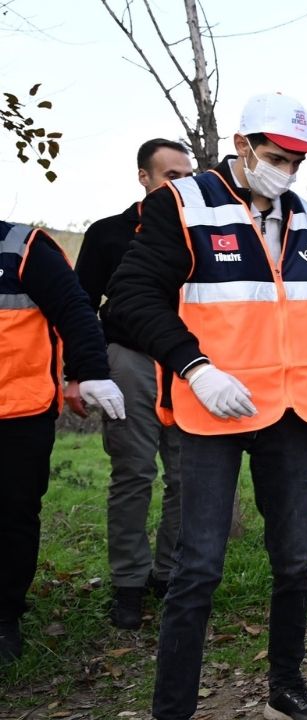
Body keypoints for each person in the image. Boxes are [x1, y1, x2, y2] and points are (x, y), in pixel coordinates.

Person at [107, 92, 307, 720]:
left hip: (291, 411)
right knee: (197, 567)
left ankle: (286, 688)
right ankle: (172, 708)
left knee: (297, 561)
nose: (288, 170)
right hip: (214, 409)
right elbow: (130, 298)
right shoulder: (185, 202)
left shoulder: (306, 216)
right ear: (242, 144)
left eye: (298, 161)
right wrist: (194, 368)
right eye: (278, 156)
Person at [73, 138, 193, 629]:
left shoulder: (203, 230)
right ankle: (128, 581)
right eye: (171, 175)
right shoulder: (107, 234)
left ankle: (169, 575)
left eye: (187, 175)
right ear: (144, 178)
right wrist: (81, 372)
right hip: (129, 360)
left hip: (190, 365)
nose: (182, 184)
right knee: (134, 472)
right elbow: (79, 304)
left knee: (187, 476)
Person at [0, 222, 125, 664]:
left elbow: (74, 308)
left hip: (15, 411)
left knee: (13, 516)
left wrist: (90, 370)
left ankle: (5, 614)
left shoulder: (21, 248)